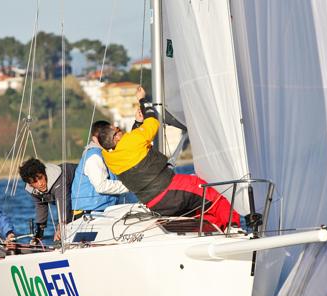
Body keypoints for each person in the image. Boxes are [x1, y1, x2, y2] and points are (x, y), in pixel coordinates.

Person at [97, 86, 240, 229]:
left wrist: (138, 124)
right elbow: (153, 122)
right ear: (115, 138)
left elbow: (131, 146)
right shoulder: (132, 140)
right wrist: (142, 100)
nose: (120, 129)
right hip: (170, 189)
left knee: (197, 211)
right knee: (213, 198)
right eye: (118, 130)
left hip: (154, 204)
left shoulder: (108, 157)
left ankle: (214, 230)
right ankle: (234, 227)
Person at [71, 121, 129, 216]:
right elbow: (101, 186)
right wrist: (130, 185)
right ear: (94, 138)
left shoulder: (107, 154)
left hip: (103, 209)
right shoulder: (94, 156)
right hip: (90, 212)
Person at [18, 158, 77, 240]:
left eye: (40, 178)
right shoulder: (32, 190)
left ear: (44, 173)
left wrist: (61, 226)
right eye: (35, 182)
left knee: (66, 225)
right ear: (30, 184)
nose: (40, 183)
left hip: (80, 187)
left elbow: (64, 203)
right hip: (71, 200)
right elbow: (41, 205)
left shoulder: (58, 179)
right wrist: (39, 233)